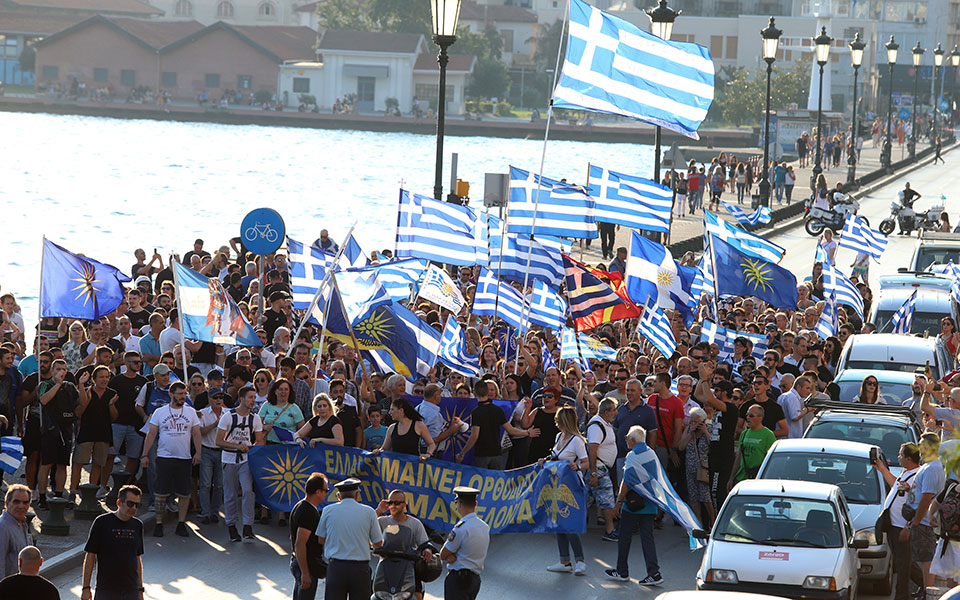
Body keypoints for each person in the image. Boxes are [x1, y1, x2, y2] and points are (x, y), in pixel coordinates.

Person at [140, 381, 202, 538]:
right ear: (171, 394)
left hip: (184, 457)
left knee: (184, 492)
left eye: (184, 394)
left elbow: (196, 433)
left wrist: (198, 453)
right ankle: (159, 524)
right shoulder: (160, 412)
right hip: (164, 456)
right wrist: (145, 454)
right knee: (161, 492)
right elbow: (151, 434)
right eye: (179, 394)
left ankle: (181, 523)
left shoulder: (190, 412)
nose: (182, 397)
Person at [604, 425, 662, 586]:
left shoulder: (632, 456)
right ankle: (654, 572)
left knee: (624, 537)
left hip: (633, 504)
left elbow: (627, 481)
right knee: (647, 538)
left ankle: (622, 571)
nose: (626, 441)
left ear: (633, 440)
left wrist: (619, 501)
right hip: (649, 502)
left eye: (627, 438)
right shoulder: (651, 453)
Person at [315, 478, 383, 600]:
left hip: (336, 568)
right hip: (360, 569)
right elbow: (378, 543)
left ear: (338, 496)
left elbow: (320, 539)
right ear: (357, 494)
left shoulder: (327, 510)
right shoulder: (369, 512)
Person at [541, 406, 589, 575]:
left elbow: (586, 463)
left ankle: (580, 560)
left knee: (569, 524)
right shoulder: (558, 436)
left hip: (571, 486)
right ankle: (564, 561)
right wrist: (544, 460)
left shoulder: (576, 440)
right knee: (559, 524)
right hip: (556, 485)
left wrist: (577, 466)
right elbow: (555, 457)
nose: (556, 423)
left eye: (558, 420)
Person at [217, 385, 264, 542]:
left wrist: (252, 447)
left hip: (246, 460)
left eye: (254, 398)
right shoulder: (228, 417)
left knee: (247, 491)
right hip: (229, 458)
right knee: (230, 493)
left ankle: (247, 525)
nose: (253, 401)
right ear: (241, 398)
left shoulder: (255, 418)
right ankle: (231, 525)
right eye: (250, 397)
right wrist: (237, 446)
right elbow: (219, 441)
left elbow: (260, 440)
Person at [876, 443, 923, 600]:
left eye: (900, 455)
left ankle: (902, 596)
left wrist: (907, 528)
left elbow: (919, 504)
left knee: (903, 566)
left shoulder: (917, 476)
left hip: (901, 527)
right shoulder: (906, 472)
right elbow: (896, 486)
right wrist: (882, 469)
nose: (898, 457)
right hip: (893, 525)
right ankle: (925, 585)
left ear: (908, 458)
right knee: (904, 562)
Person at [80, 484, 144, 600]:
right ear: (119, 503)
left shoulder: (137, 525)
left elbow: (137, 558)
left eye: (137, 505)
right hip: (106, 590)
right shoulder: (102, 522)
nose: (134, 508)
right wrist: (86, 588)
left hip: (131, 591)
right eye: (130, 503)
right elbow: (90, 556)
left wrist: (140, 590)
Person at [456, 380, 537, 468]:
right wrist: (527, 433)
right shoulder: (498, 410)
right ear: (487, 392)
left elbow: (474, 436)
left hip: (481, 455)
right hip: (497, 455)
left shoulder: (476, 412)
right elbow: (511, 430)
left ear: (474, 393)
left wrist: (462, 453)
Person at [375, 489, 433, 600]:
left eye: (397, 503)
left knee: (417, 594)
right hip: (386, 565)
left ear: (404, 505)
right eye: (390, 503)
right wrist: (378, 510)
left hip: (408, 565)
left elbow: (424, 543)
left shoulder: (415, 523)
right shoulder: (382, 521)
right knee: (374, 593)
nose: (393, 506)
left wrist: (427, 551)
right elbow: (368, 525)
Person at [905, 432, 946, 588]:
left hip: (924, 523)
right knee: (922, 559)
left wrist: (915, 521)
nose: (919, 448)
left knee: (926, 560)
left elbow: (926, 498)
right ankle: (924, 591)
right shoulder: (927, 466)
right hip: (920, 520)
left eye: (922, 445)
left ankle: (927, 593)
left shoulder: (932, 468)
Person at [441, 486, 489, 600]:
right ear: (476, 503)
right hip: (474, 580)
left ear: (460, 504)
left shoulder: (460, 528)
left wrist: (450, 556)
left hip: (458, 581)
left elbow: (443, 554)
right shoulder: (484, 527)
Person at [290, 472, 329, 600]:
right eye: (326, 490)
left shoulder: (300, 506)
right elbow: (300, 543)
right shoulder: (309, 512)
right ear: (318, 492)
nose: (327, 493)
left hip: (300, 562)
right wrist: (305, 573)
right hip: (306, 564)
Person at [586, 398, 618, 541]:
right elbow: (593, 449)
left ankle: (576, 525)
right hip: (598, 468)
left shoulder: (605, 423)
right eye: (614, 410)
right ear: (606, 412)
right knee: (607, 498)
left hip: (602, 467)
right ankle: (610, 530)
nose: (616, 412)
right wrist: (593, 473)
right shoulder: (596, 426)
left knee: (586, 497)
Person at [678, 407, 714, 527]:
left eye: (696, 421)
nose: (693, 423)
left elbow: (714, 446)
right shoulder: (689, 430)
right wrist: (691, 433)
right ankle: (699, 524)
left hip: (703, 469)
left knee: (706, 497)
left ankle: (713, 522)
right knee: (693, 497)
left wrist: (705, 431)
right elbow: (681, 447)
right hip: (690, 467)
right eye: (691, 421)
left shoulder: (708, 429)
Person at [729, 405, 776, 486]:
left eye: (751, 415)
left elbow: (772, 460)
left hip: (757, 479)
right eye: (747, 415)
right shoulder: (744, 433)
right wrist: (731, 477)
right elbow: (738, 457)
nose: (748, 418)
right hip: (741, 478)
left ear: (760, 417)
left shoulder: (768, 435)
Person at [0, 484, 32, 580]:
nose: (21, 506)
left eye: (25, 502)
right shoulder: (2, 527)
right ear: (7, 503)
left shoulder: (23, 525)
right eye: (16, 502)